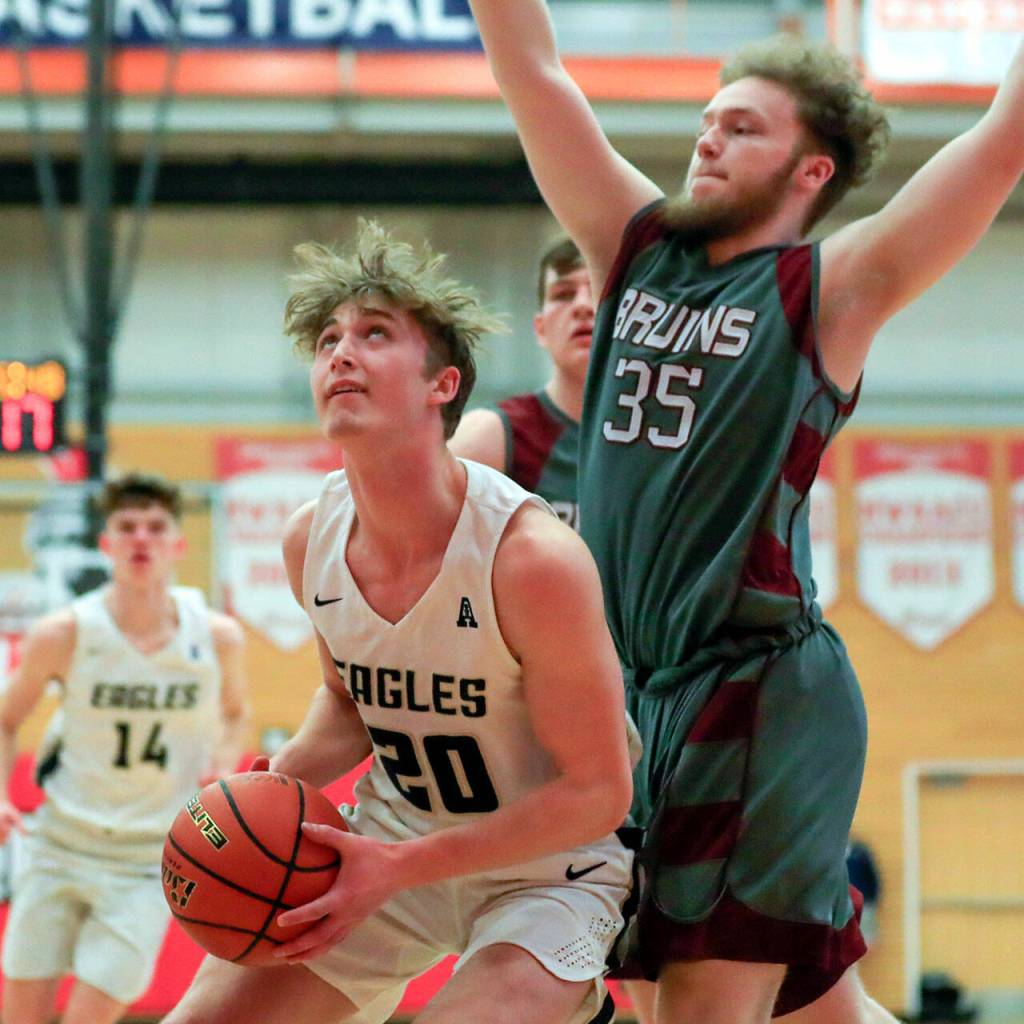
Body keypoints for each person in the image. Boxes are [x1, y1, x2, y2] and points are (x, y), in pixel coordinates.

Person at [466, 7, 1024, 1022]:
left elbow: (1000, 138)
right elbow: (532, 72)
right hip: (640, 693)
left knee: (701, 1006)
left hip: (755, 688)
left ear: (810, 172)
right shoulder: (635, 247)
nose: (707, 138)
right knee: (803, 1008)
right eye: (707, 120)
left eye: (742, 126)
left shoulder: (831, 286)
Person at [164, 220, 635, 1024]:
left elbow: (599, 794)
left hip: (547, 865)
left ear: (442, 385)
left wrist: (400, 865)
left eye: (374, 334)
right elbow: (349, 710)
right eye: (327, 340)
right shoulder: (310, 538)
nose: (340, 353)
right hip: (390, 839)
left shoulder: (532, 560)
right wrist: (257, 795)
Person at [0, 472, 250, 1024]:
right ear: (106, 544)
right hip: (58, 844)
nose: (142, 538)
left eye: (156, 527)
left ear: (178, 546)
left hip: (149, 859)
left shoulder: (217, 637)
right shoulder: (64, 633)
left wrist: (222, 765)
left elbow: (236, 715)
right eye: (127, 527)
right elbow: (6, 719)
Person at [449, 236, 592, 530]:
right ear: (541, 329)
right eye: (564, 294)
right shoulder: (490, 435)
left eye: (600, 291)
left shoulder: (665, 441)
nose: (583, 306)